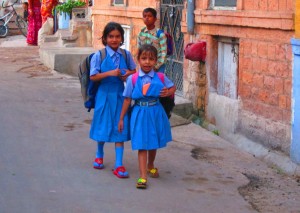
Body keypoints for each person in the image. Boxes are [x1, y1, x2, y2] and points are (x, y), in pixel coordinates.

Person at [118, 44, 176, 189]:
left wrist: (168, 92)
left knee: (153, 141)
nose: (147, 62)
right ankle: (143, 176)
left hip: (156, 112)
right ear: (138, 60)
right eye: (144, 58)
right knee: (142, 144)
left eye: (151, 59)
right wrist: (121, 118)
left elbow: (172, 87)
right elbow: (127, 99)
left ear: (156, 61)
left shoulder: (161, 77)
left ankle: (151, 164)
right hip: (139, 113)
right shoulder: (132, 79)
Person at [89, 22, 136, 178]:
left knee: (120, 127)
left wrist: (127, 74)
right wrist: (110, 73)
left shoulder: (125, 55)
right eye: (111, 36)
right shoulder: (99, 56)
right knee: (103, 125)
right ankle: (99, 154)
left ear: (122, 38)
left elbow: (134, 70)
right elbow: (93, 76)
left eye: (117, 36)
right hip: (103, 95)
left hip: (120, 96)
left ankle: (119, 164)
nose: (114, 40)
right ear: (105, 38)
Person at [137, 7, 167, 73]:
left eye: (149, 16)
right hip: (144, 66)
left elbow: (163, 53)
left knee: (157, 82)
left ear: (155, 19)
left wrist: (156, 66)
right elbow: (139, 50)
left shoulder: (160, 34)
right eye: (144, 16)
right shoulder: (141, 33)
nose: (147, 18)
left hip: (158, 67)